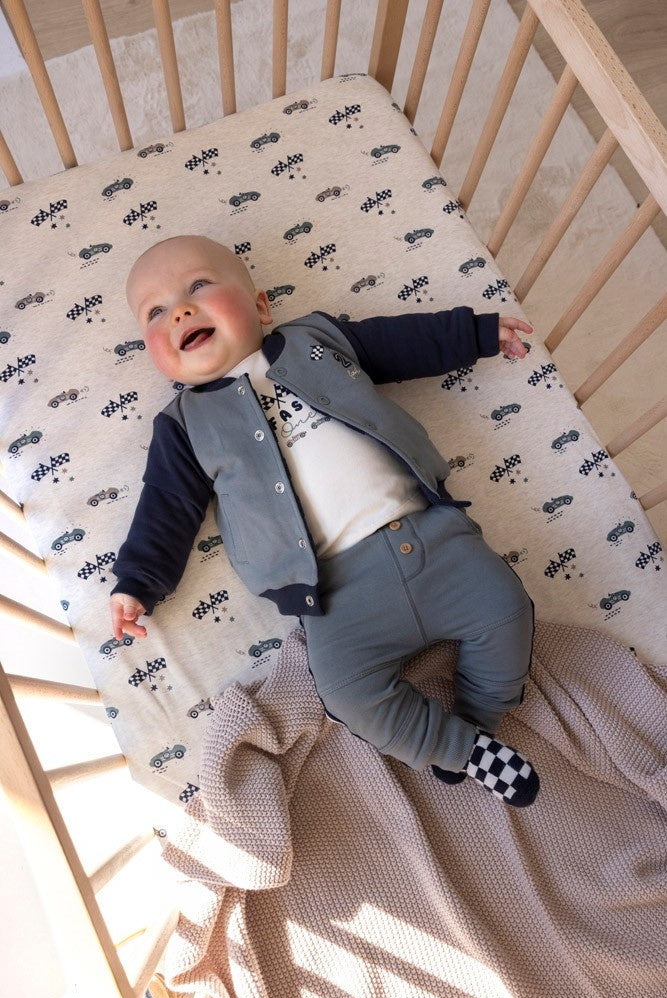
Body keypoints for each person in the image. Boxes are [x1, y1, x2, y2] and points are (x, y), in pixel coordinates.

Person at [110, 234, 539, 807]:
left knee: (507, 609)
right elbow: (165, 507)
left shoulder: (317, 339)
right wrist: (137, 582)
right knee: (346, 694)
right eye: (156, 312)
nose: (181, 311)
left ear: (261, 306)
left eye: (199, 286)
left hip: (433, 539)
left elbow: (403, 342)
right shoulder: (184, 426)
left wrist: (476, 333)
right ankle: (458, 749)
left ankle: (473, 726)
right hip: (334, 595)